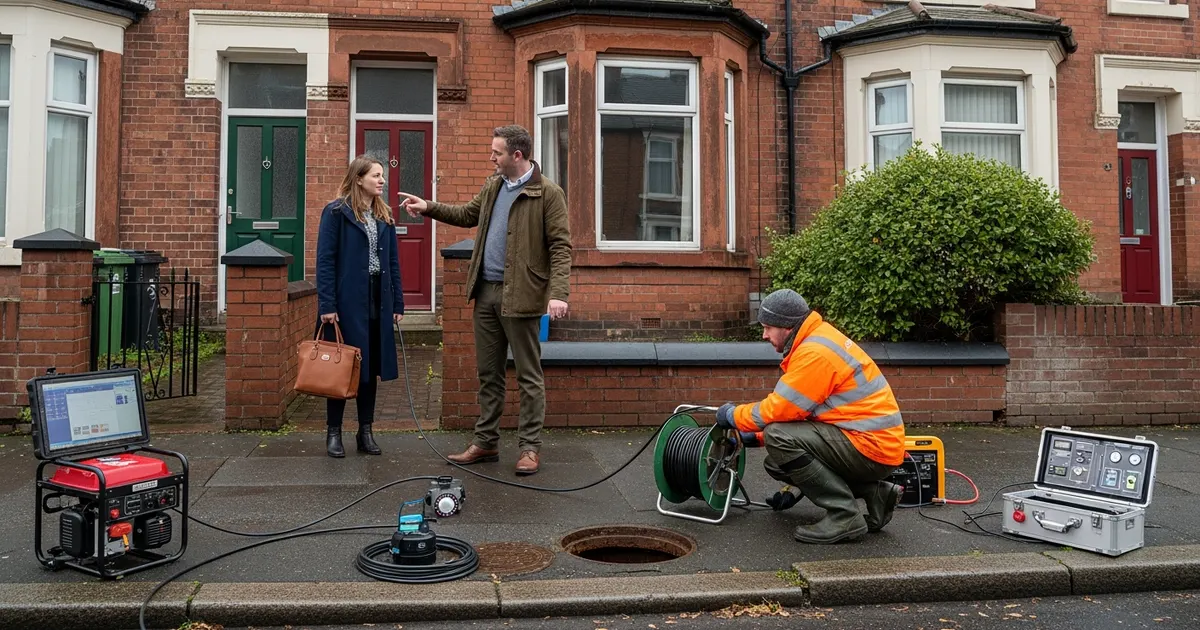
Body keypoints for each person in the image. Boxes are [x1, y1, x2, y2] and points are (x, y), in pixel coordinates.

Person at [399, 124, 571, 476]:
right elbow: (466, 215)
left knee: (528, 375)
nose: (491, 158)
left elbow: (560, 247)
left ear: (517, 155)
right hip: (487, 291)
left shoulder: (547, 193)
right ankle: (486, 441)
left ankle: (529, 449)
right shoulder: (494, 186)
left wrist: (557, 294)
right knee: (488, 373)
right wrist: (428, 206)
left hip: (522, 294)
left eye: (497, 153)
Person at [715, 289, 906, 544]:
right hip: (868, 443)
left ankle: (844, 516)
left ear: (786, 326)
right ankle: (876, 494)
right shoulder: (817, 339)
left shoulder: (815, 352)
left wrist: (732, 415)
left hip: (871, 448)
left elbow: (781, 409)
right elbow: (803, 413)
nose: (764, 335)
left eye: (768, 327)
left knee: (779, 438)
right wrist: (756, 437)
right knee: (776, 461)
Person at [316, 156, 405, 458]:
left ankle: (365, 431)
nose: (382, 180)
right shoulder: (336, 212)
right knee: (342, 368)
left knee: (370, 367)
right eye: (376, 176)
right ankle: (333, 432)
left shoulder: (384, 216)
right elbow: (325, 260)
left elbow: (392, 263)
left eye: (382, 176)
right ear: (358, 179)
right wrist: (327, 304)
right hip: (346, 300)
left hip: (378, 299)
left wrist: (398, 302)